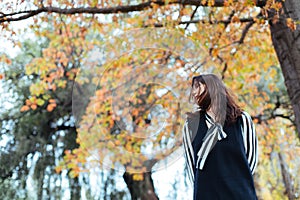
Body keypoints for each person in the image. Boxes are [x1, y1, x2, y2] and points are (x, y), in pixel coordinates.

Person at [182, 74, 258, 200]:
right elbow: (192, 167)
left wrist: (238, 181)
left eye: (198, 87)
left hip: (240, 194)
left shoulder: (242, 119)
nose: (194, 92)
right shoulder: (190, 126)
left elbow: (251, 159)